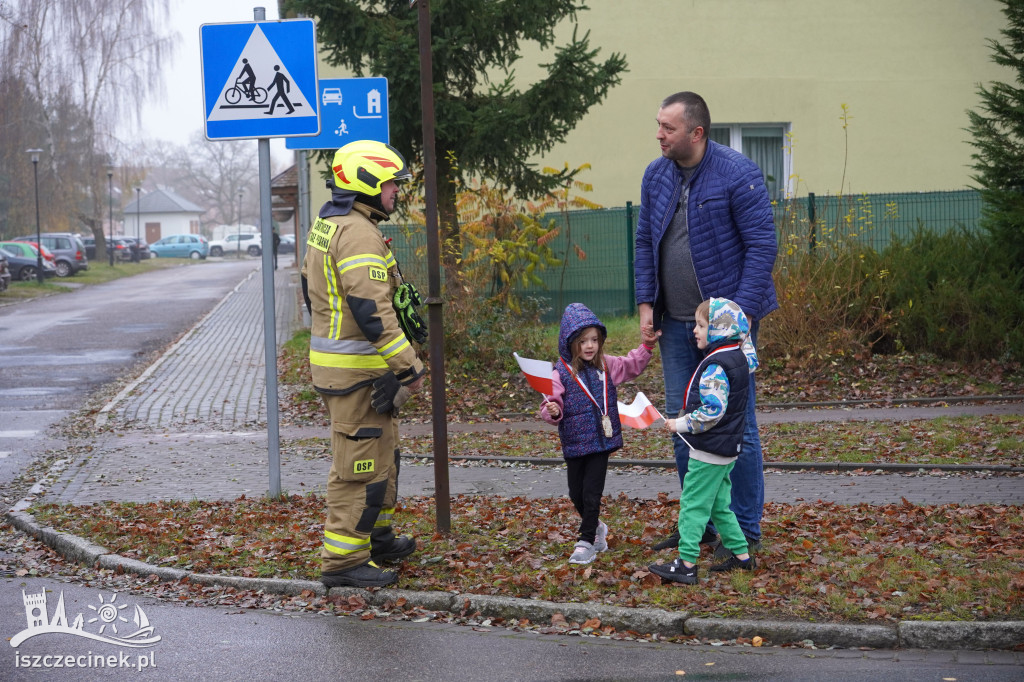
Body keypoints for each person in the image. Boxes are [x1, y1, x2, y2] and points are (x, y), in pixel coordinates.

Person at [635, 91, 778, 557]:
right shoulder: (655, 176)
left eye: (667, 128)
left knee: (738, 427)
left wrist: (743, 318)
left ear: (696, 133)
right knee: (682, 426)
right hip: (676, 326)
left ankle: (746, 530)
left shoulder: (737, 173)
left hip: (729, 331)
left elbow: (762, 247)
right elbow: (643, 242)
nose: (658, 134)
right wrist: (644, 305)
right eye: (658, 125)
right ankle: (700, 525)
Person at [301, 140, 425, 588]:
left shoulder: (333, 223)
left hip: (358, 372)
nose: (396, 190)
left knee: (384, 456)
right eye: (391, 181)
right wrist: (408, 368)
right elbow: (371, 313)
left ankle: (376, 536)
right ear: (367, 181)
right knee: (358, 468)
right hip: (359, 375)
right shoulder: (356, 232)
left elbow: (312, 287)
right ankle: (343, 561)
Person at [649, 298, 758, 584]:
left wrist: (679, 424)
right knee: (719, 506)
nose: (694, 331)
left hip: (708, 449)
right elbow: (749, 350)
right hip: (727, 449)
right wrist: (741, 332)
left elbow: (713, 411)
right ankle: (743, 557)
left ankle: (686, 563)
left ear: (720, 330)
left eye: (701, 325)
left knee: (693, 505)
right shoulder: (739, 357)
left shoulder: (715, 367)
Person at [539, 303, 658, 565]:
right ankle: (598, 528)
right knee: (576, 494)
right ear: (570, 343)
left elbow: (631, 365)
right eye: (583, 341)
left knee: (592, 493)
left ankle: (587, 539)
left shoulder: (607, 365)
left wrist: (646, 347)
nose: (589, 346)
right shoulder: (559, 373)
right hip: (574, 442)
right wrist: (554, 411)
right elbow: (551, 405)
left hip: (601, 441)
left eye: (594, 340)